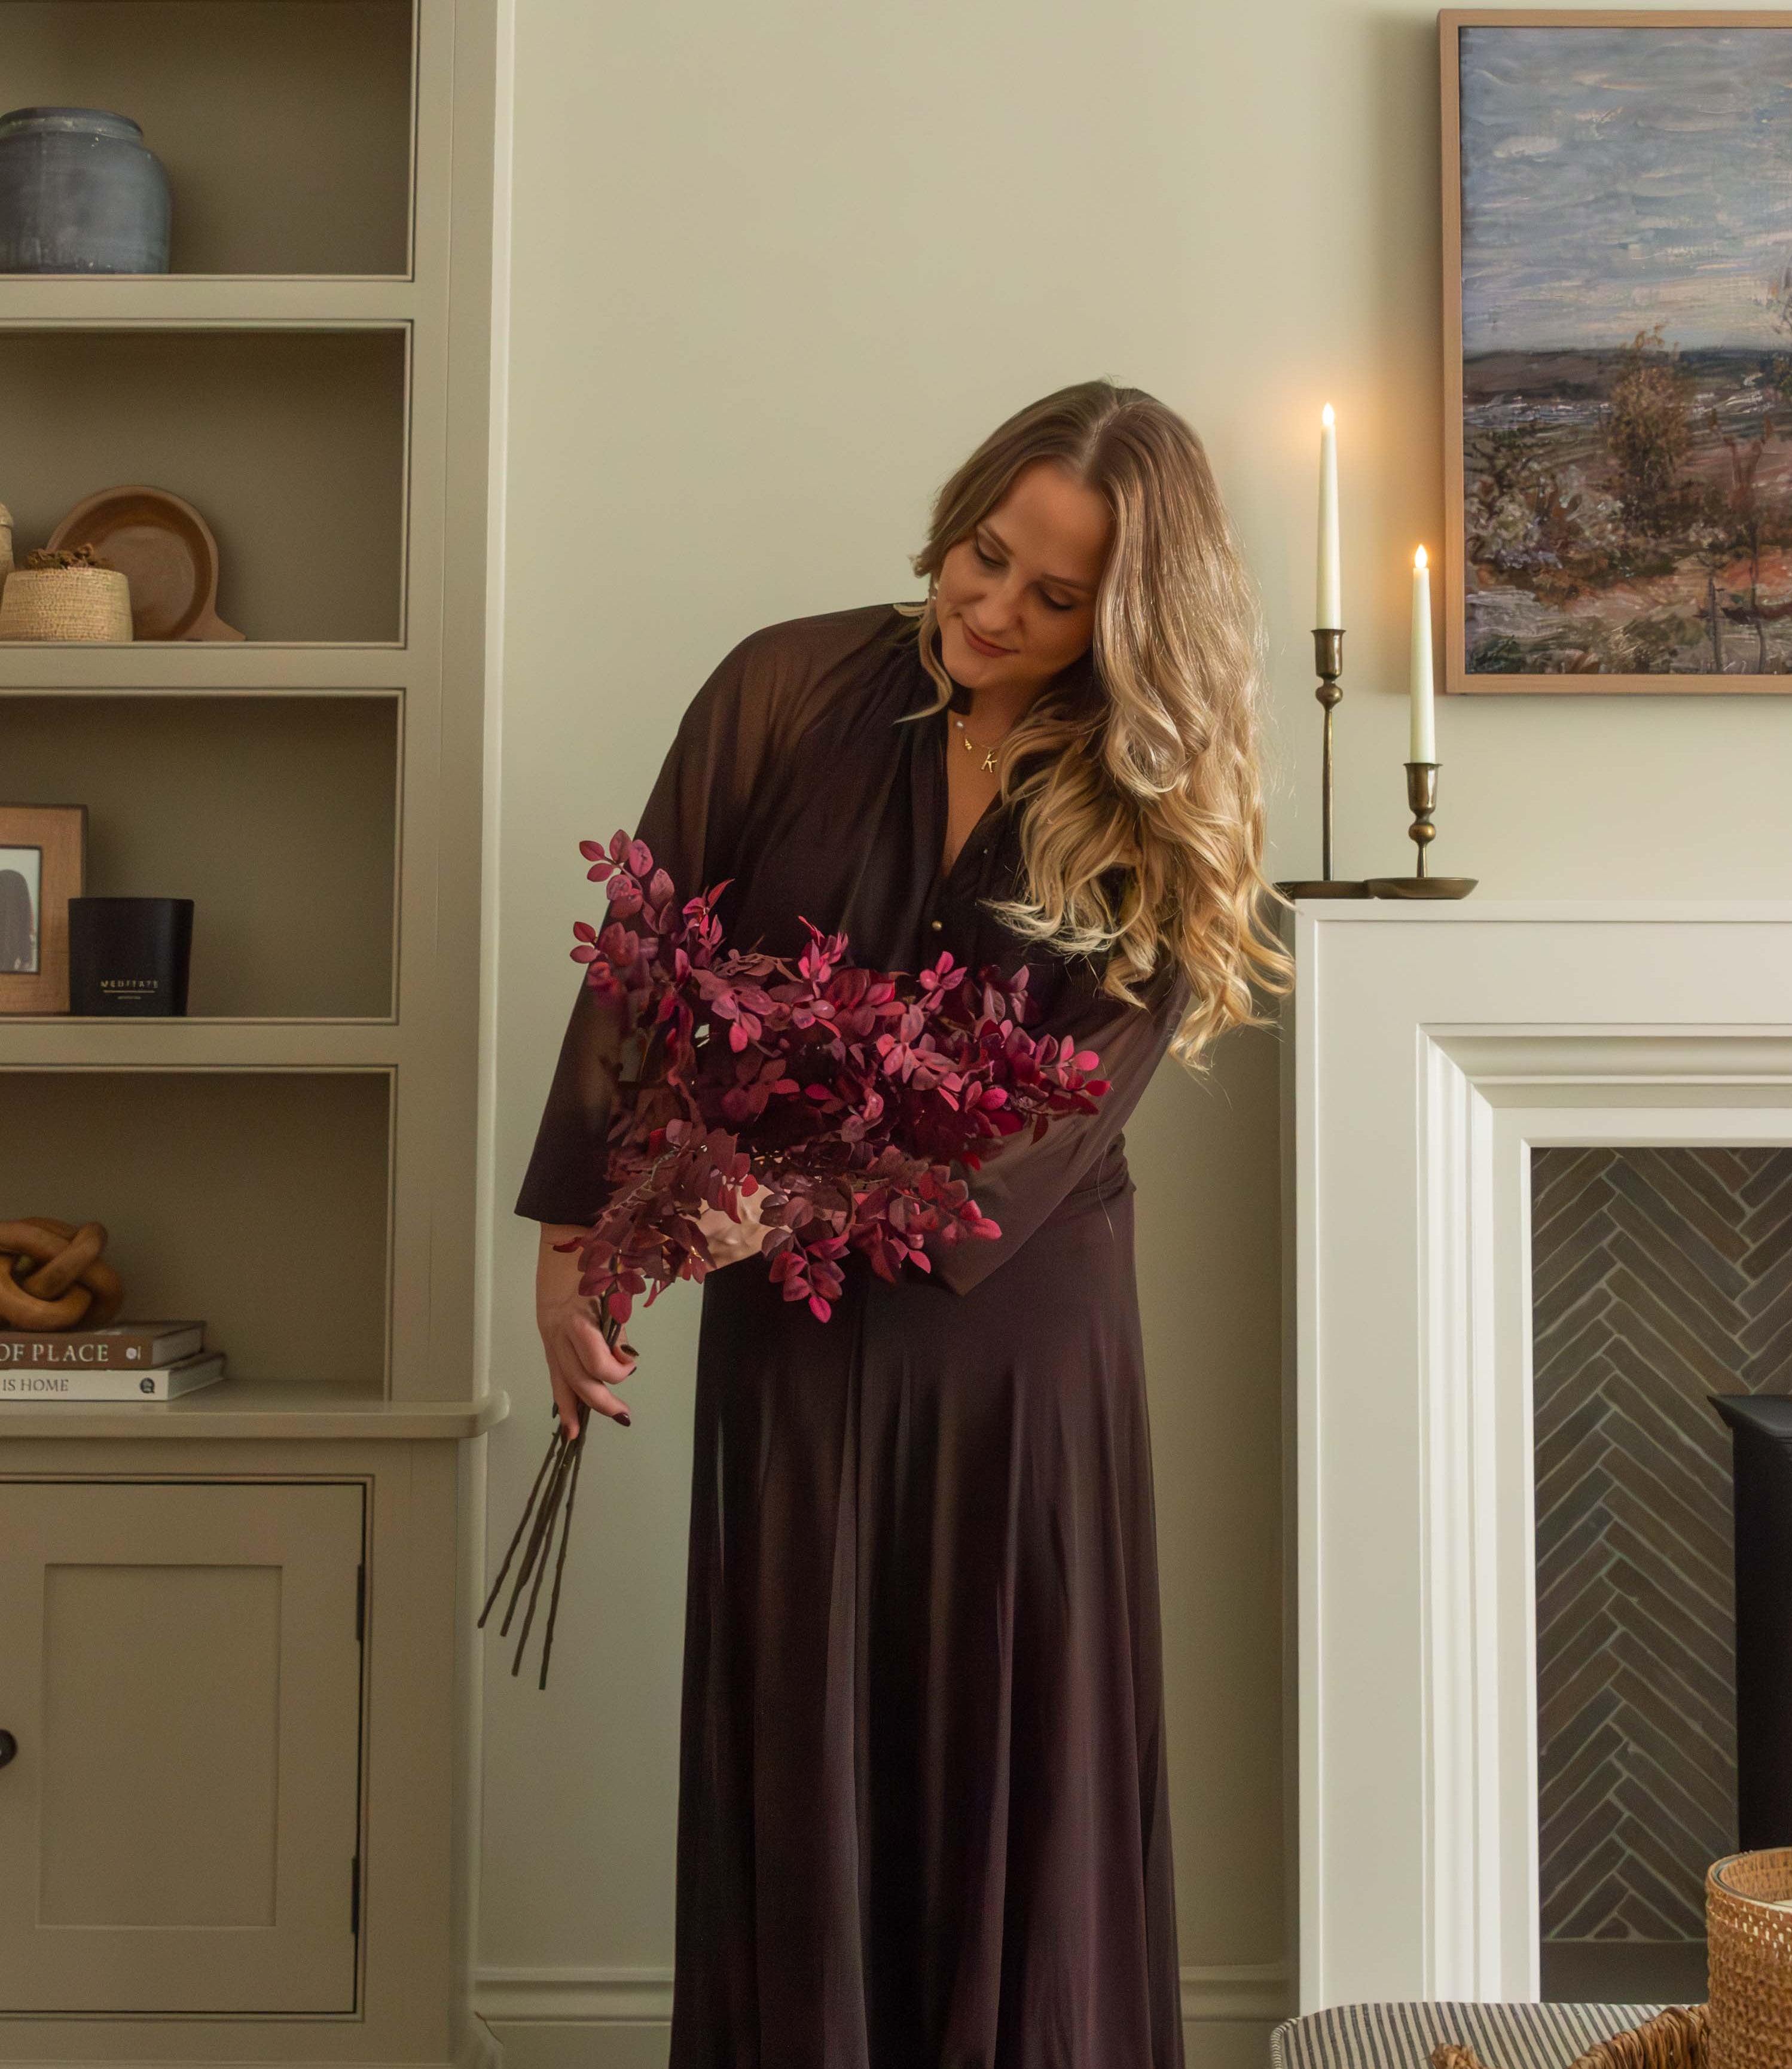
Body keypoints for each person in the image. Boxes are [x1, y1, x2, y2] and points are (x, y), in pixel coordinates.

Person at [516, 380, 1285, 2068]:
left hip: (1019, 1347)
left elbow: (1053, 1122)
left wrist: (771, 1202)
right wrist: (573, 1253)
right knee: (800, 1752)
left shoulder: (1153, 802)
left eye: (1052, 594)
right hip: (784, 1325)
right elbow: (638, 978)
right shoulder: (780, 686)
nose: (990, 606)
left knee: (1001, 1756)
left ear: (1127, 623)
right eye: (981, 551)